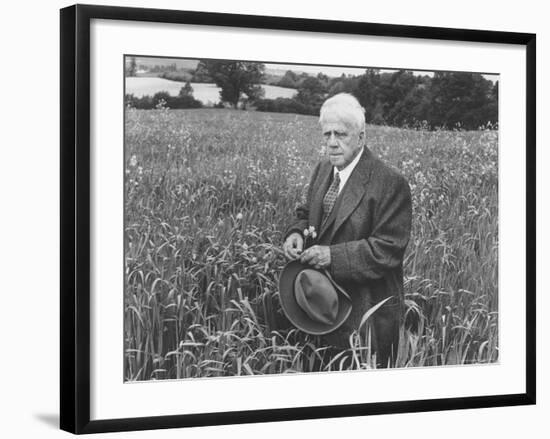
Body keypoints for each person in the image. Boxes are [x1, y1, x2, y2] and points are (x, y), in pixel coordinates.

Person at [282, 93, 412, 368]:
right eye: (326, 134)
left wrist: (333, 256)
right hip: (321, 305)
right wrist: (296, 232)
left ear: (361, 137)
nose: (331, 143)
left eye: (340, 134)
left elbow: (388, 249)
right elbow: (306, 213)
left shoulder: (390, 183)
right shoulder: (322, 169)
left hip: (365, 314)